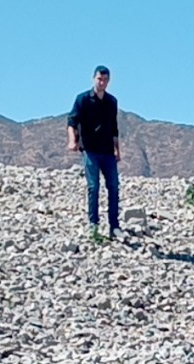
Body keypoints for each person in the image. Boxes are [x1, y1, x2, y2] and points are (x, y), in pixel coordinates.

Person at [67, 66, 122, 239]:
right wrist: (72, 140)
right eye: (99, 79)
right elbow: (72, 122)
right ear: (93, 79)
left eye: (105, 80)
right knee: (94, 186)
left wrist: (117, 150)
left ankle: (114, 226)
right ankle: (94, 224)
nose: (102, 82)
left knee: (113, 187)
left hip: (107, 151)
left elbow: (114, 129)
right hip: (90, 150)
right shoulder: (82, 99)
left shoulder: (111, 102)